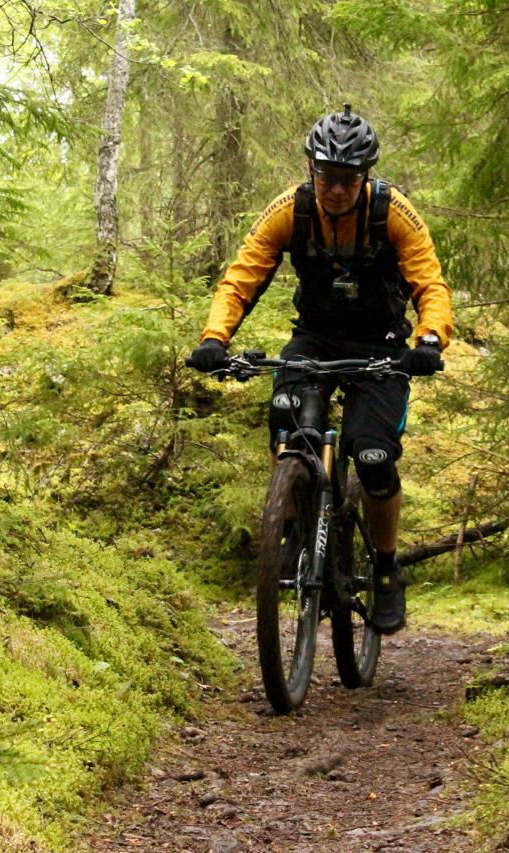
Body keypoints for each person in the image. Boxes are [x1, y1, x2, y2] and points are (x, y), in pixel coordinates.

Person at [187, 104, 454, 634]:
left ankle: (383, 568)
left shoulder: (392, 212)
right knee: (288, 424)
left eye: (348, 179)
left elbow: (431, 284)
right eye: (327, 176)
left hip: (380, 346)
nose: (336, 189)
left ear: (366, 176)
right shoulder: (291, 210)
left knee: (373, 456)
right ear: (311, 169)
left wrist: (427, 340)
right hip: (313, 339)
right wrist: (215, 339)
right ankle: (289, 526)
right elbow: (241, 278)